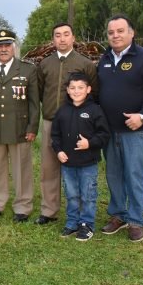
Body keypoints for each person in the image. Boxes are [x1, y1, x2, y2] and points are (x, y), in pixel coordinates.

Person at [97, 14, 143, 243]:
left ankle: (136, 221)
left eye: (120, 31)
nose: (115, 35)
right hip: (110, 132)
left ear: (131, 33)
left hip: (136, 132)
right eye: (111, 32)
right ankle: (118, 215)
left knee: (134, 176)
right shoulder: (104, 59)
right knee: (114, 175)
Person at [35, 22, 98, 225]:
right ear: (53, 39)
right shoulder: (45, 64)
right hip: (51, 122)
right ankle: (49, 210)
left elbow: (93, 92)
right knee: (49, 166)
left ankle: (79, 212)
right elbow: (40, 91)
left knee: (77, 167)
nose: (62, 39)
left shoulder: (85, 63)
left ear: (73, 37)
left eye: (66, 34)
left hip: (78, 125)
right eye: (57, 35)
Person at [0, 29, 39, 222]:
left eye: (7, 45)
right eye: (0, 46)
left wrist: (32, 127)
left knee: (22, 169)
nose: (4, 49)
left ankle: (23, 206)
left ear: (14, 47)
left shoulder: (28, 69)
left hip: (19, 127)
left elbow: (34, 103)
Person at [51, 72, 110, 241]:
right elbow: (55, 136)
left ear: (88, 89)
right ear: (67, 90)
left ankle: (87, 224)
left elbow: (104, 134)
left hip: (88, 163)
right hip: (68, 163)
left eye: (80, 88)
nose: (76, 91)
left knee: (88, 194)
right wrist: (58, 151)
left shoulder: (95, 110)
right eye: (73, 88)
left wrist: (89, 143)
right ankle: (72, 222)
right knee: (71, 194)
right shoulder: (62, 111)